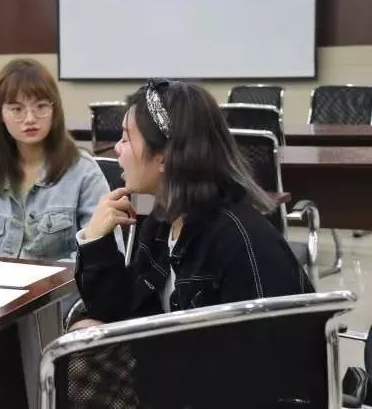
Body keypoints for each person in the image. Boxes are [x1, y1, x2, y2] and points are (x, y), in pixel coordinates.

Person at [76, 79, 312, 325]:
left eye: (125, 139)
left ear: (164, 158)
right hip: (177, 350)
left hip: (217, 353)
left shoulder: (239, 241)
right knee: (85, 328)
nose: (116, 148)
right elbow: (118, 314)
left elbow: (263, 344)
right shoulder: (160, 223)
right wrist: (95, 241)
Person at [0, 59, 109, 260]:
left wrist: (50, 275)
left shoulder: (84, 172)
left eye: (41, 106)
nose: (30, 118)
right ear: (0, 114)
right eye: (17, 109)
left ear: (54, 110)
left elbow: (102, 252)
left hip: (62, 281)